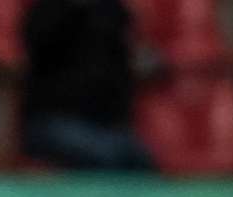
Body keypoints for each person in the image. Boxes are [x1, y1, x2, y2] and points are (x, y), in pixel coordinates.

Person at [19, 0, 161, 171]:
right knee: (111, 158)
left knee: (139, 162)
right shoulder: (49, 9)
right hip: (53, 123)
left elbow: (127, 62)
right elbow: (34, 47)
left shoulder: (113, 10)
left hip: (108, 128)